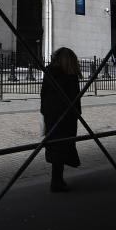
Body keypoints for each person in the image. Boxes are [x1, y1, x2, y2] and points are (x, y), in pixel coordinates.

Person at [40, 47, 82, 192]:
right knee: (62, 147)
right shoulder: (70, 75)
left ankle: (57, 180)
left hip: (51, 115)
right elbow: (74, 98)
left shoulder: (49, 72)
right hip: (65, 117)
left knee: (56, 147)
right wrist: (77, 113)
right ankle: (56, 182)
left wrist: (44, 112)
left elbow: (43, 94)